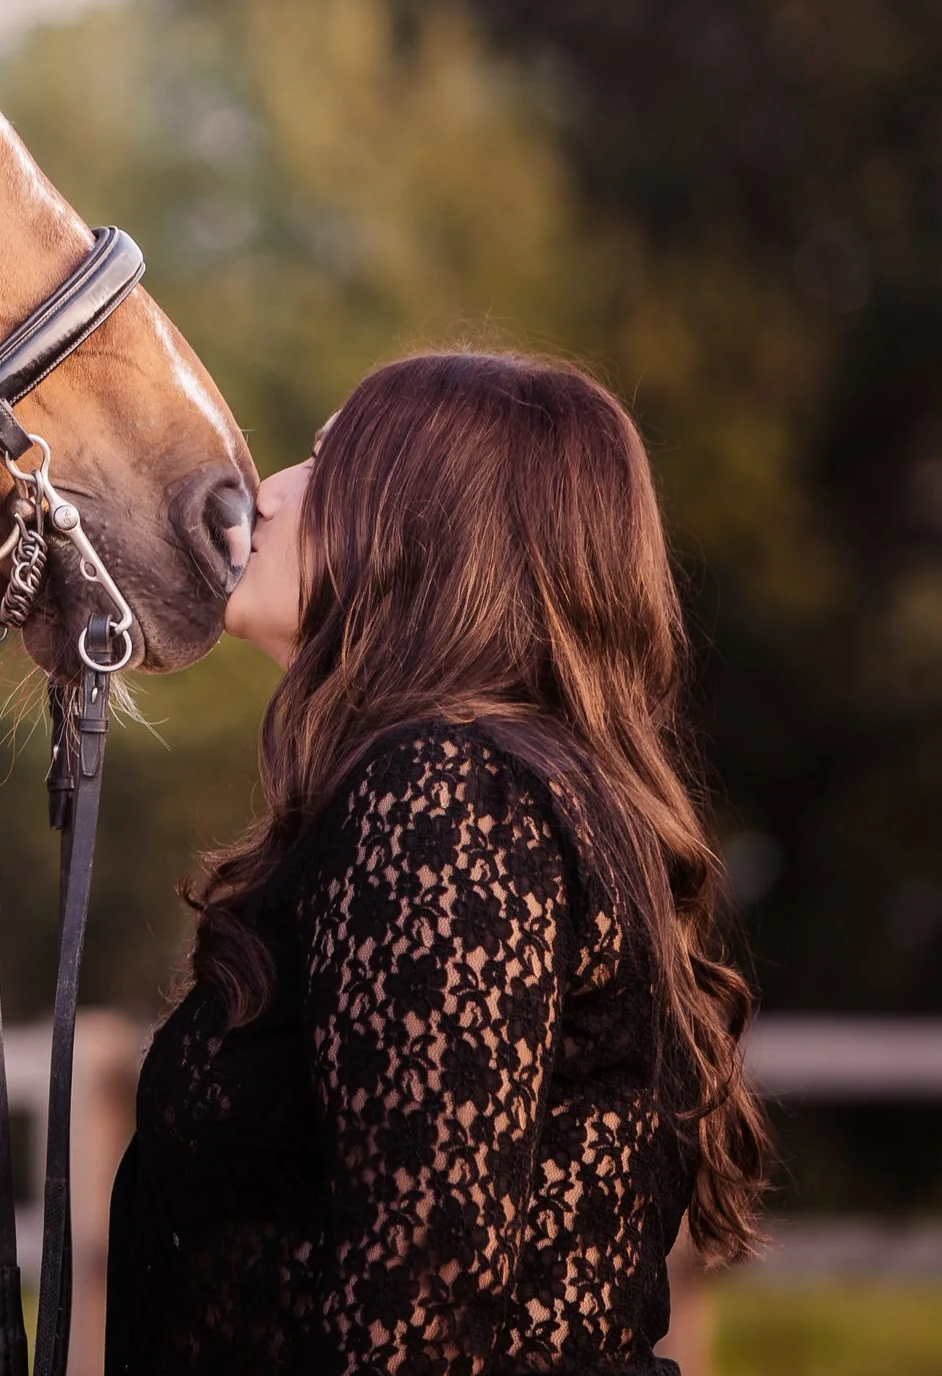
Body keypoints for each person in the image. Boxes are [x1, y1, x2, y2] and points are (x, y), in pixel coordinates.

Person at [107, 351, 770, 1374]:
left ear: (428, 527)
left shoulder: (445, 793)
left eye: (326, 463)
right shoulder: (484, 788)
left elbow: (420, 1318)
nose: (268, 492)